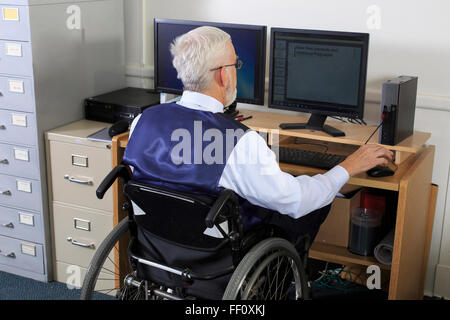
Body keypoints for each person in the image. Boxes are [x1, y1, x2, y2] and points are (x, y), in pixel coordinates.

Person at [123, 26, 393, 252]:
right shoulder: (240, 142)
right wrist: (346, 168)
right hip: (219, 251)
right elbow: (295, 201)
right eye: (235, 64)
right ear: (223, 74)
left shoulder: (142, 121)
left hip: (160, 244)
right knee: (312, 204)